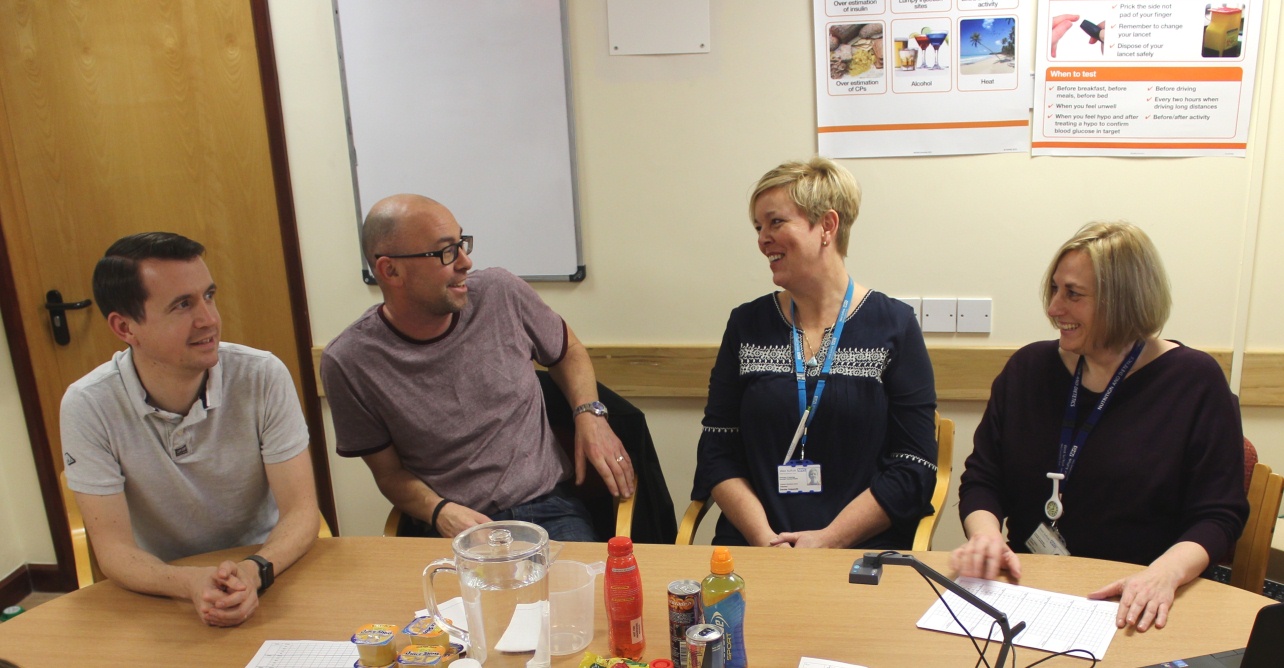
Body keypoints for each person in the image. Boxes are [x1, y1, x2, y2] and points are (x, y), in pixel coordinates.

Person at [953, 222, 1248, 633]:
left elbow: (1219, 516)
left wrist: (1163, 575)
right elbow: (983, 478)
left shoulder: (1195, 381)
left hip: (1135, 601)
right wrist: (985, 535)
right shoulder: (1027, 370)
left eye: (1073, 294)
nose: (1054, 308)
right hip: (1028, 591)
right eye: (1055, 290)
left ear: (1123, 300)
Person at [321, 194, 634, 542]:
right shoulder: (349, 361)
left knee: (578, 595)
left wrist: (589, 413)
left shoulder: (500, 293)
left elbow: (569, 350)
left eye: (462, 243)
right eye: (445, 252)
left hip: (548, 510)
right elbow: (389, 473)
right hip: (458, 527)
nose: (466, 262)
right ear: (390, 270)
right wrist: (439, 511)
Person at [61, 232, 319, 627]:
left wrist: (253, 571)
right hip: (162, 590)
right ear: (125, 327)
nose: (209, 319)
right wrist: (189, 583)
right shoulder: (87, 404)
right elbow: (113, 550)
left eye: (209, 296)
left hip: (269, 567)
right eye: (183, 305)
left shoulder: (262, 374)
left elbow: (302, 512)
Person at [690, 157, 938, 549]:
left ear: (827, 226)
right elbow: (718, 450)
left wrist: (828, 540)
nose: (762, 239)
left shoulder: (894, 326)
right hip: (756, 547)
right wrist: (763, 539)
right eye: (758, 227)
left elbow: (914, 466)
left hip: (858, 551)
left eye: (775, 222)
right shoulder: (746, 325)